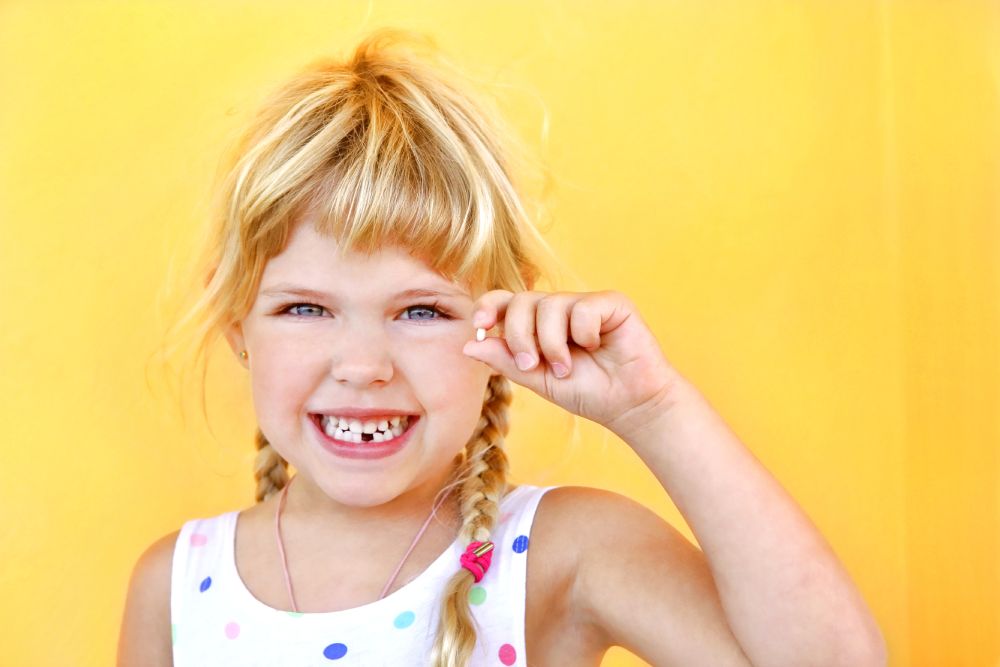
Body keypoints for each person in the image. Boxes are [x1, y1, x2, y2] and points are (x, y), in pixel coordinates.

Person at [117, 27, 886, 667]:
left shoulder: (562, 552)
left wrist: (657, 409)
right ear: (236, 318)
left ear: (502, 315)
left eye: (421, 311)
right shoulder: (175, 587)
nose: (362, 365)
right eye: (306, 307)